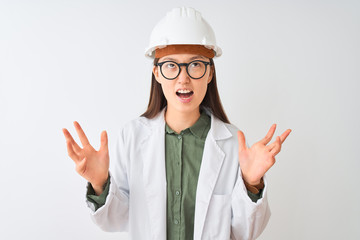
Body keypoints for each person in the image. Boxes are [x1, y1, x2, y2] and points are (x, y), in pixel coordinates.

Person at [62, 7, 291, 240]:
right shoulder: (132, 136)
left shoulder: (233, 142)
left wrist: (251, 184)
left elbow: (244, 232)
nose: (184, 78)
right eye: (171, 65)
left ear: (210, 73)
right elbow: (116, 220)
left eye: (195, 65)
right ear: (157, 73)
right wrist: (100, 184)